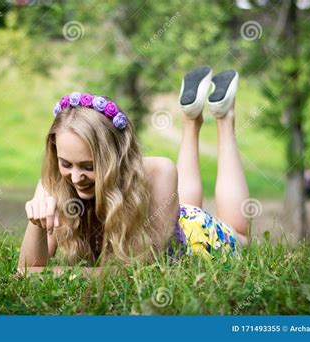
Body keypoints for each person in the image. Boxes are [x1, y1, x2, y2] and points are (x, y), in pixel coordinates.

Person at [18, 66, 249, 274]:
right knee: (184, 202)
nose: (76, 178)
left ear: (116, 157)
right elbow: (26, 269)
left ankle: (224, 116)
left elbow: (133, 272)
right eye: (66, 164)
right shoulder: (55, 180)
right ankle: (191, 118)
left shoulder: (159, 171)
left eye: (89, 167)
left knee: (241, 235)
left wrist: (51, 274)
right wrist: (36, 224)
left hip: (196, 232)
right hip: (172, 217)